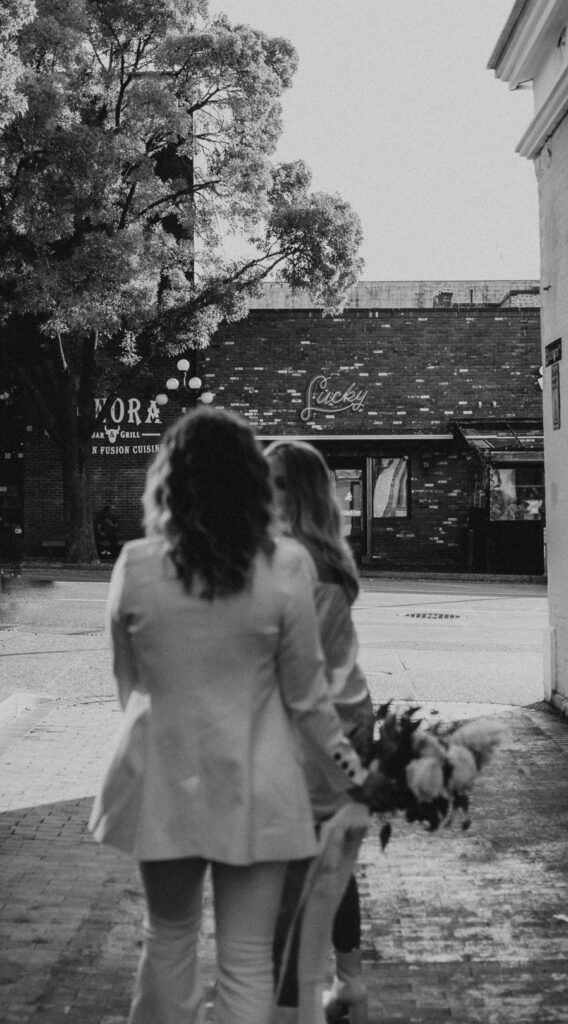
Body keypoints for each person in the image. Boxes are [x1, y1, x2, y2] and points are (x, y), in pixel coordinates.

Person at [88, 409, 378, 1024]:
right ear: (251, 482)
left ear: (170, 480)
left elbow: (129, 686)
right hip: (259, 785)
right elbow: (308, 701)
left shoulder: (135, 564)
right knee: (248, 959)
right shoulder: (288, 566)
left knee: (166, 941)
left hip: (161, 777)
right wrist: (357, 773)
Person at [264, 439, 374, 1024]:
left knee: (296, 869)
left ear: (301, 492)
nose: (268, 493)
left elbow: (301, 673)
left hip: (326, 728)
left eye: (279, 483)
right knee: (332, 865)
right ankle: (349, 982)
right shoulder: (327, 554)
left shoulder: (298, 560)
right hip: (347, 719)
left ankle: (290, 1007)